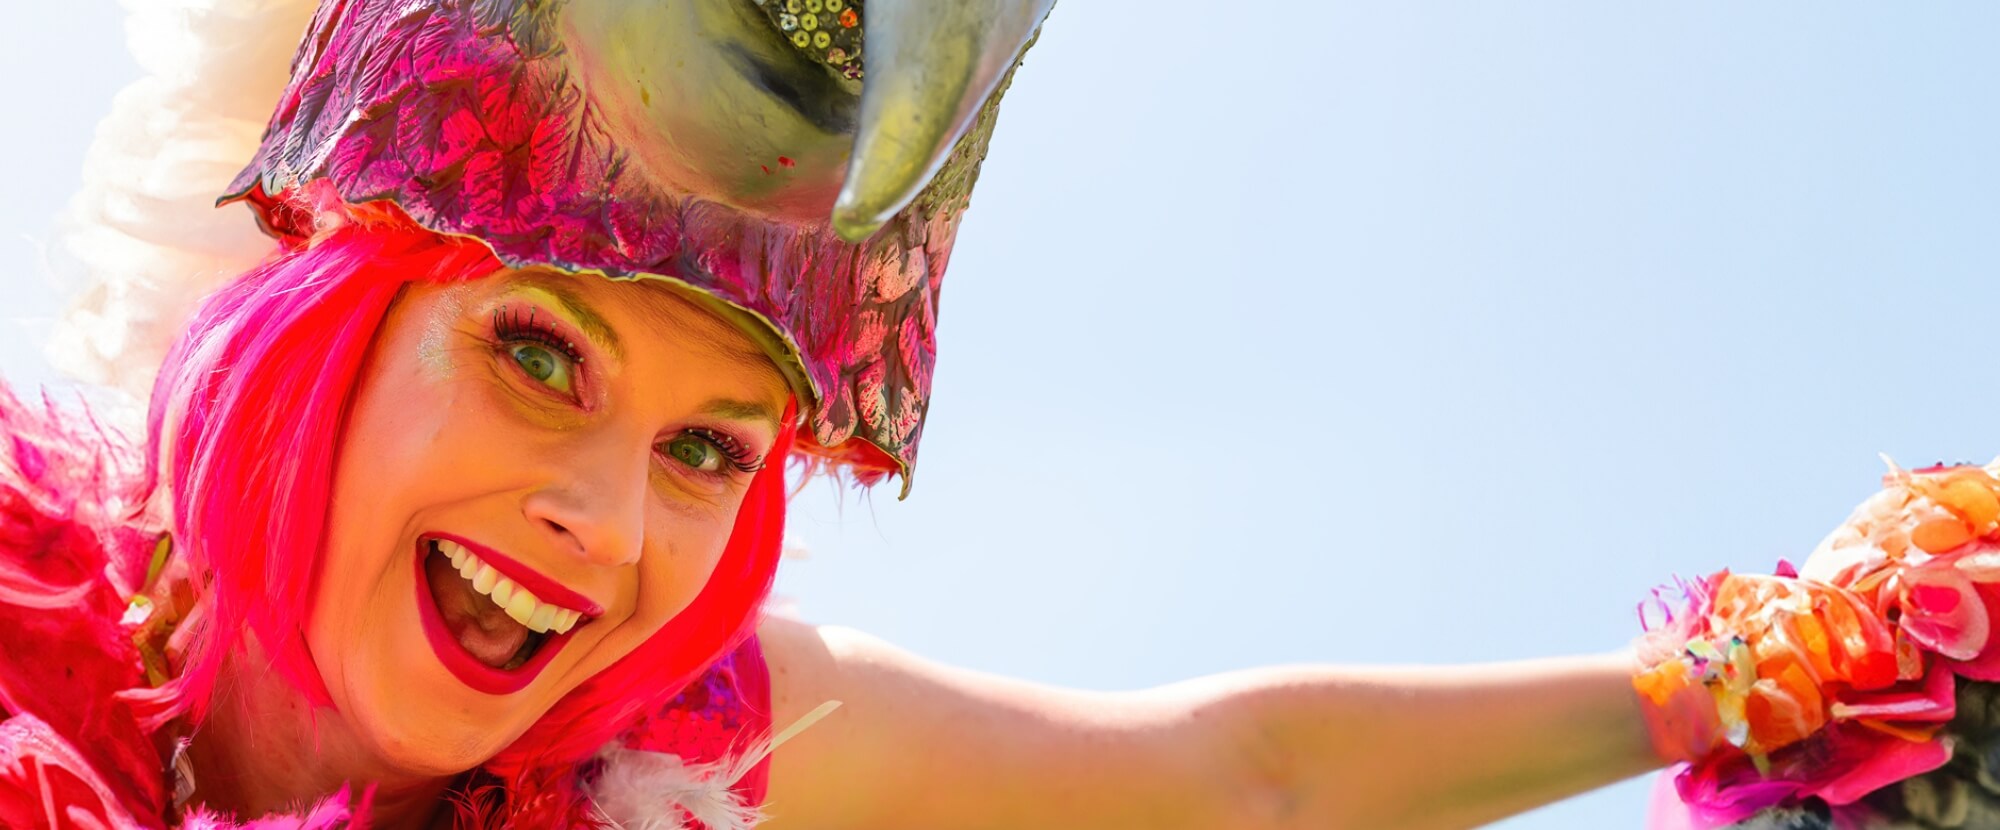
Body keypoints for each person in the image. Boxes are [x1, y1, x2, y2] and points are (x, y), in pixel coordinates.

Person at [2, 2, 1993, 829]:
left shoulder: (676, 743)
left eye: (713, 446)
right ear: (320, 307)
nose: (604, 529)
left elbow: (1250, 779)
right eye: (541, 355)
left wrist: (1773, 670)